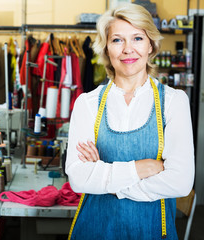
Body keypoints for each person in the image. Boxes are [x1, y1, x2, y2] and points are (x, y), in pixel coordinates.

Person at [65, 3, 195, 240]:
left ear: (150, 45)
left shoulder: (174, 102)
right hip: (94, 232)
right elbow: (78, 178)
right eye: (117, 40)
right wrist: (144, 167)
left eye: (137, 38)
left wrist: (105, 180)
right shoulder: (87, 103)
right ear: (106, 48)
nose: (127, 49)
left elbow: (180, 182)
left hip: (152, 232)